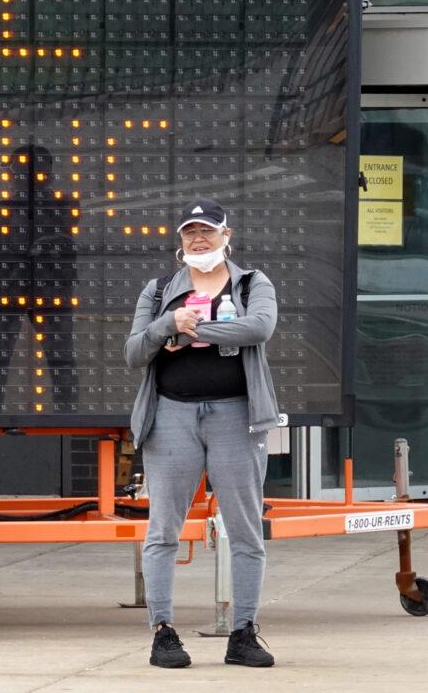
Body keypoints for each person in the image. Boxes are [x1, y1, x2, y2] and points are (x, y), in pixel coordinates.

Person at [124, 198, 280, 669]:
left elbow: (261, 327)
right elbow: (133, 351)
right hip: (171, 417)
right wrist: (165, 326)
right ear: (181, 241)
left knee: (246, 531)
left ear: (226, 237)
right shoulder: (157, 291)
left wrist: (195, 331)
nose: (198, 239)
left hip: (237, 417)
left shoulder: (253, 283)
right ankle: (162, 632)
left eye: (207, 232)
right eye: (190, 232)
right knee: (163, 531)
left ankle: (244, 633)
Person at [0, 144, 78, 413]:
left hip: (15, 290)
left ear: (15, 174)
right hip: (44, 289)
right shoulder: (63, 207)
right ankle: (67, 418)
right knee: (59, 360)